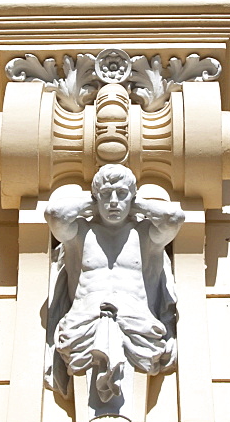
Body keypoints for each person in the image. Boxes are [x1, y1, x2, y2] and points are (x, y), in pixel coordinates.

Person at [44, 164, 184, 406]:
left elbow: (174, 218)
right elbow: (54, 215)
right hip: (82, 325)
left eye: (121, 195)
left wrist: (134, 202)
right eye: (107, 196)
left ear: (132, 196)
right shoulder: (80, 234)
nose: (113, 202)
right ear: (96, 197)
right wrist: (94, 202)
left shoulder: (145, 235)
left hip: (139, 326)